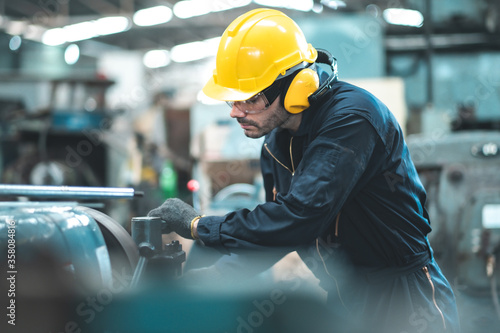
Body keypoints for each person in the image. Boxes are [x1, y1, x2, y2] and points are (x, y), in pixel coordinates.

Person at [148, 8, 460, 333]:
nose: (235, 113)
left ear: (297, 85)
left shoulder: (353, 120)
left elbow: (299, 217)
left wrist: (199, 225)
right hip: (343, 296)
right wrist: (212, 278)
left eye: (249, 99)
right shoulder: (276, 145)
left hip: (405, 299)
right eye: (230, 100)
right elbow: (276, 232)